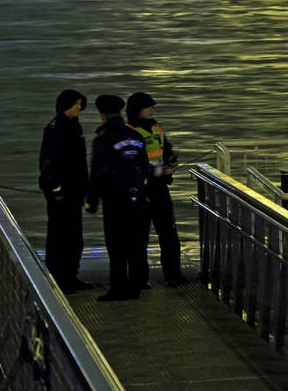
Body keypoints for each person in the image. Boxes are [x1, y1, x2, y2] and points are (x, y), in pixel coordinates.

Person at [86, 94, 150, 301]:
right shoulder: (136, 136)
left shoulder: (103, 139)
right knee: (136, 244)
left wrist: (92, 201)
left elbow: (98, 172)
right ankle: (137, 285)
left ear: (102, 114)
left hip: (115, 200)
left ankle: (119, 289)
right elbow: (144, 167)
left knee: (116, 245)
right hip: (138, 197)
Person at [127, 92, 187, 287]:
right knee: (139, 238)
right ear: (137, 110)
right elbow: (133, 166)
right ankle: (139, 280)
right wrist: (160, 170)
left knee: (169, 235)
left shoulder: (156, 127)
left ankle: (173, 275)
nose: (151, 110)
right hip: (141, 191)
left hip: (160, 188)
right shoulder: (130, 131)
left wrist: (170, 162)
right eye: (147, 107)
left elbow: (165, 149)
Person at [38, 89, 91, 294]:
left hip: (75, 191)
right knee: (59, 235)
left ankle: (70, 276)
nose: (80, 107)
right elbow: (48, 161)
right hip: (61, 194)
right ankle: (57, 278)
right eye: (76, 103)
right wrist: (56, 188)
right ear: (66, 105)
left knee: (74, 236)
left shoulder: (73, 126)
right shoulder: (55, 128)